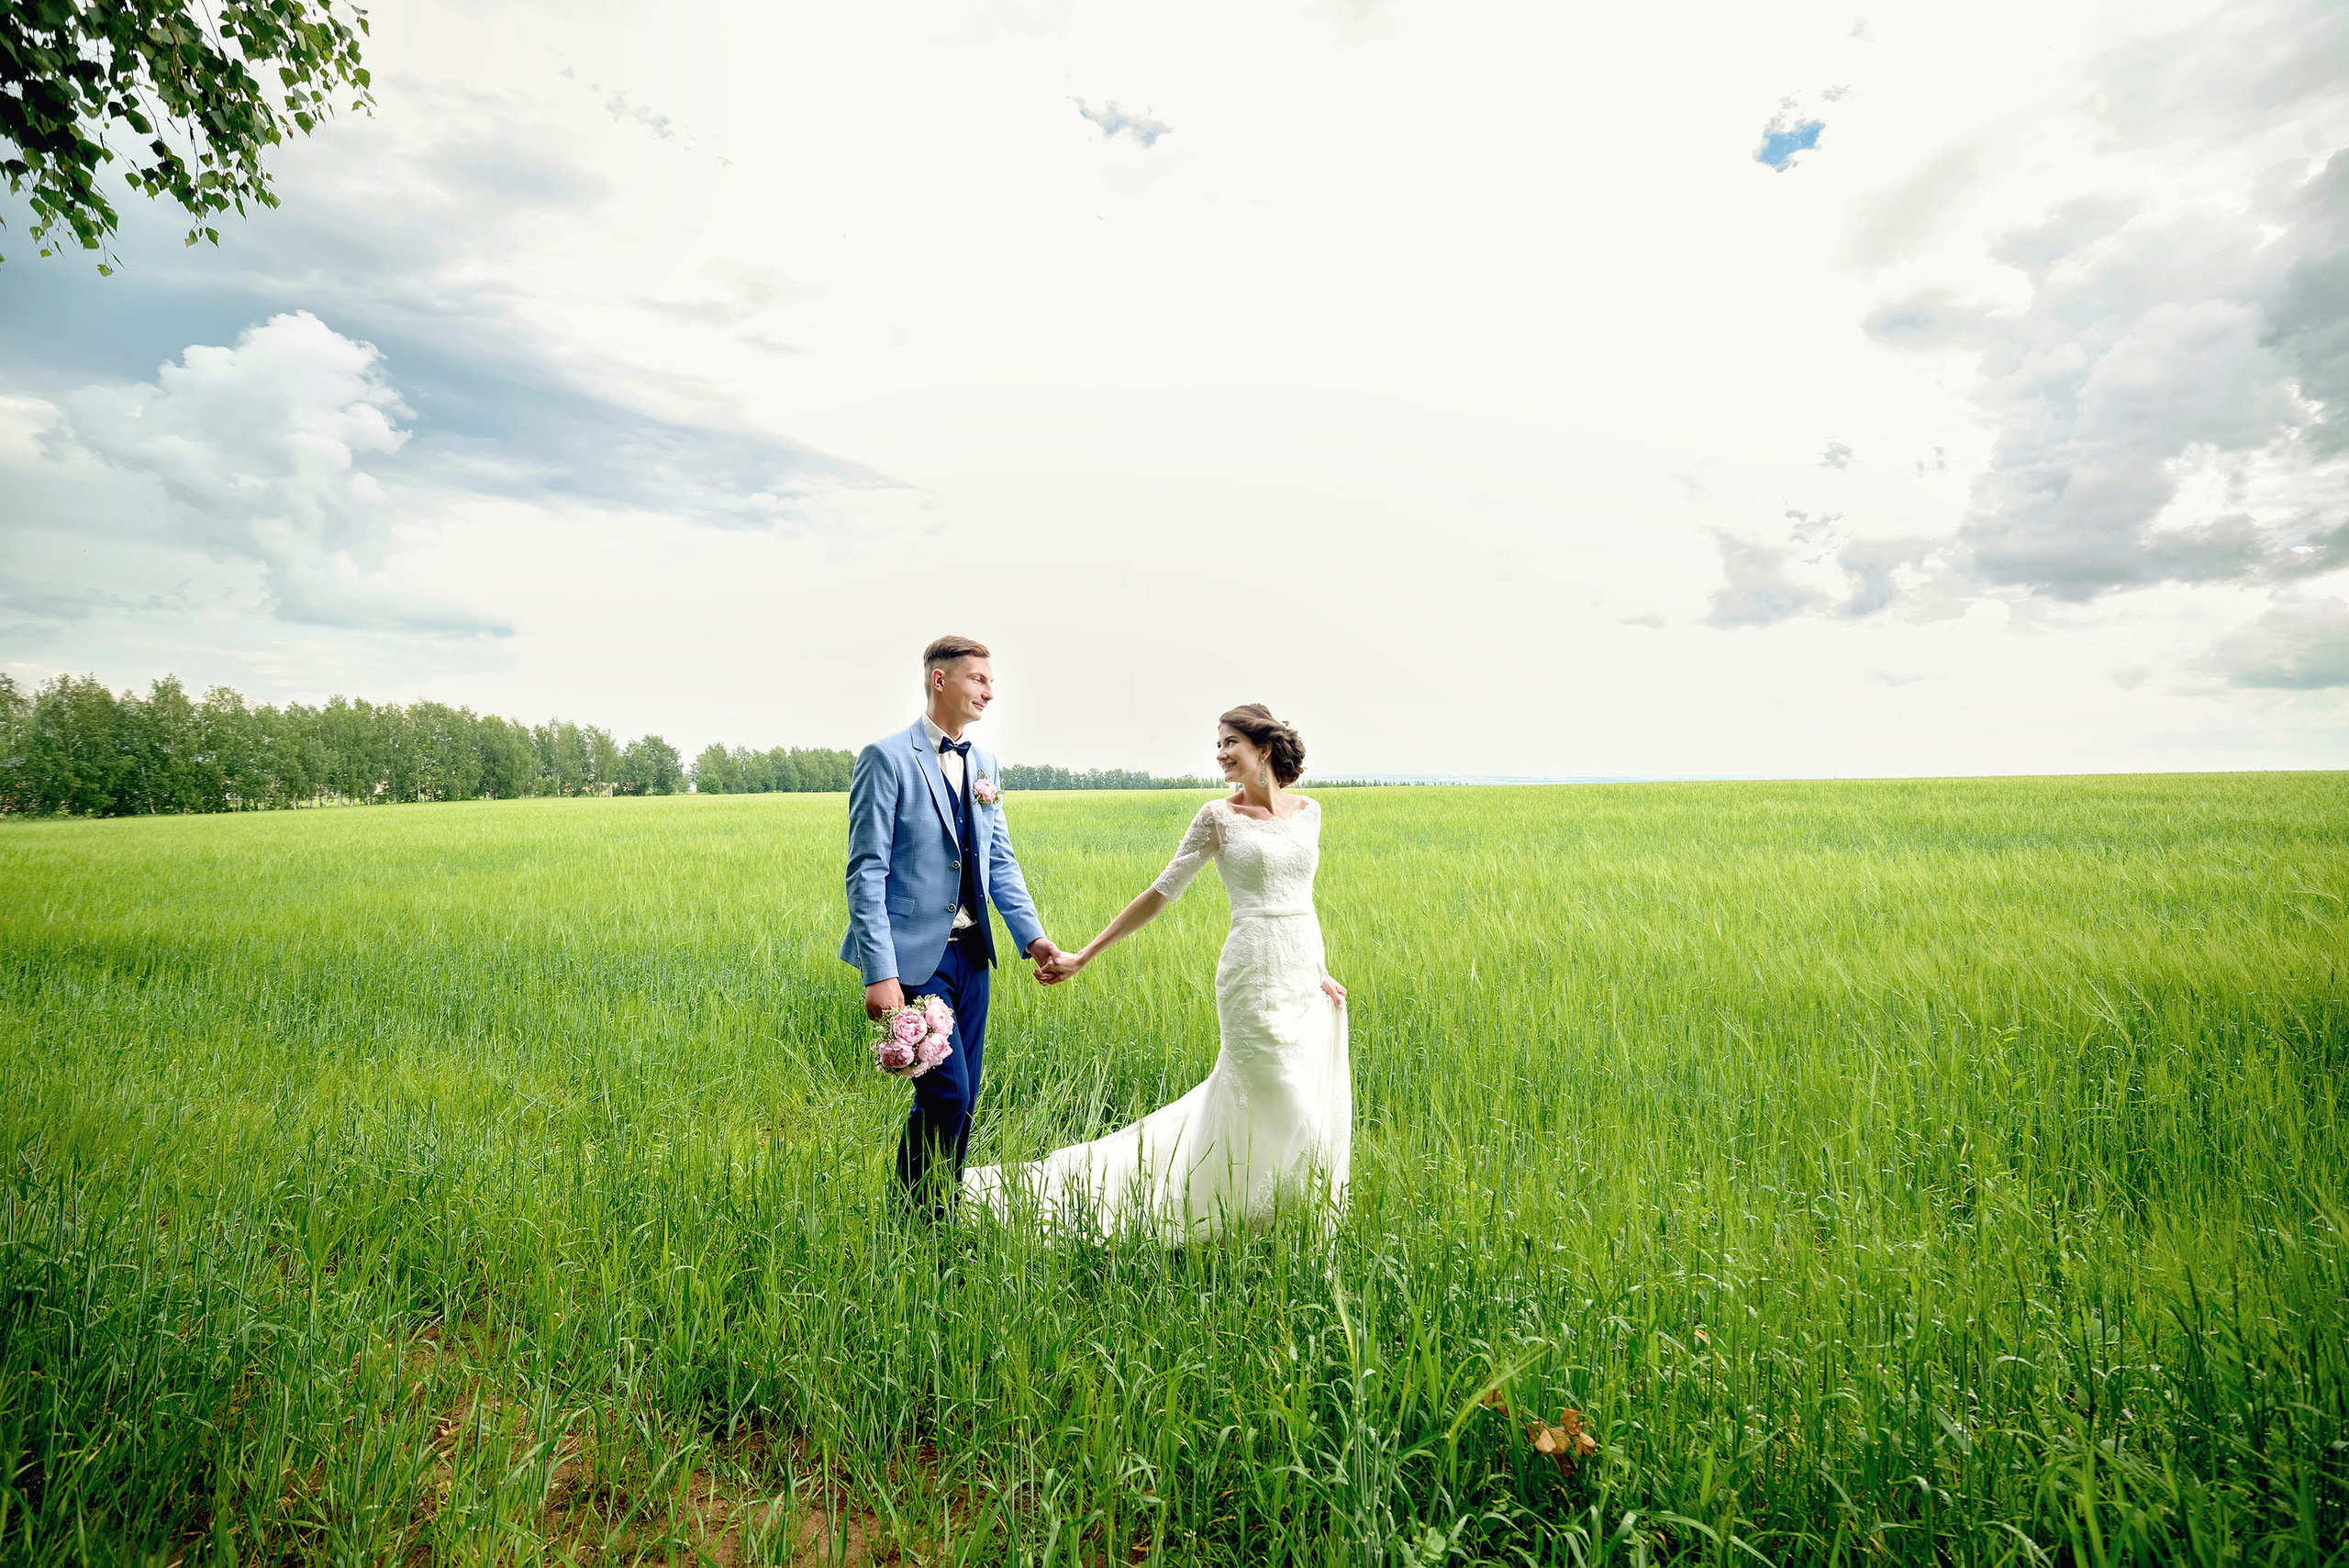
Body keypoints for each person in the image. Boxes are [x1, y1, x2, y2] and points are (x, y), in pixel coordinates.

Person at [964, 704, 1351, 1240]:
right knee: (1272, 1089)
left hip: (1301, 973)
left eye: (1230, 742)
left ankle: (1277, 1213)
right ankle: (1222, 1207)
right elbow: (1158, 894)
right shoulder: (1217, 817)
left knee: (1302, 1096)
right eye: (1217, 744)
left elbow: (1300, 901)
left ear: (1263, 747)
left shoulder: (1309, 812)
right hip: (1251, 974)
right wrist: (1083, 954)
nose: (1219, 754)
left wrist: (1321, 971)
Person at [841, 635, 1071, 1219]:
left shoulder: (985, 766)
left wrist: (1032, 936)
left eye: (992, 682)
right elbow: (866, 873)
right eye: (978, 680)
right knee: (948, 1092)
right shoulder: (886, 757)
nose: (989, 692)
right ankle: (914, 1216)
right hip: (914, 961)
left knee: (961, 1103)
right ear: (940, 681)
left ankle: (934, 1216)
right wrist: (879, 974)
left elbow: (999, 860)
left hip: (973, 957)